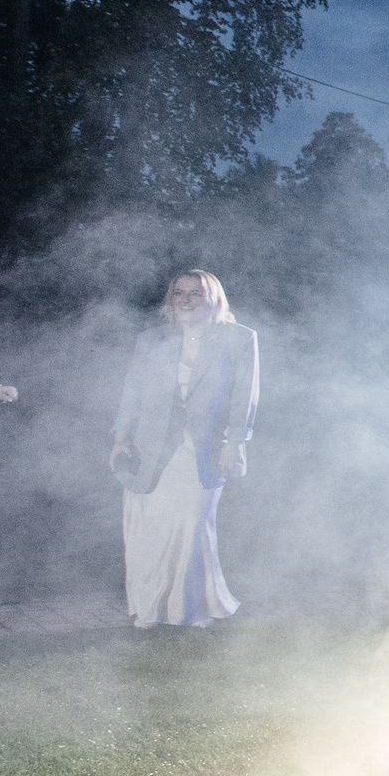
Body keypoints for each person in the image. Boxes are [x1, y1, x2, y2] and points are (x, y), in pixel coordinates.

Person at [112, 269, 259, 628]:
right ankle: (150, 609)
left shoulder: (239, 338)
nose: (187, 300)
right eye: (180, 293)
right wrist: (121, 436)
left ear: (213, 299)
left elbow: (245, 395)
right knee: (150, 528)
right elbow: (132, 390)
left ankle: (191, 608)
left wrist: (235, 442)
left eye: (196, 293)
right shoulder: (152, 339)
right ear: (171, 298)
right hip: (152, 449)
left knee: (193, 522)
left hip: (205, 449)